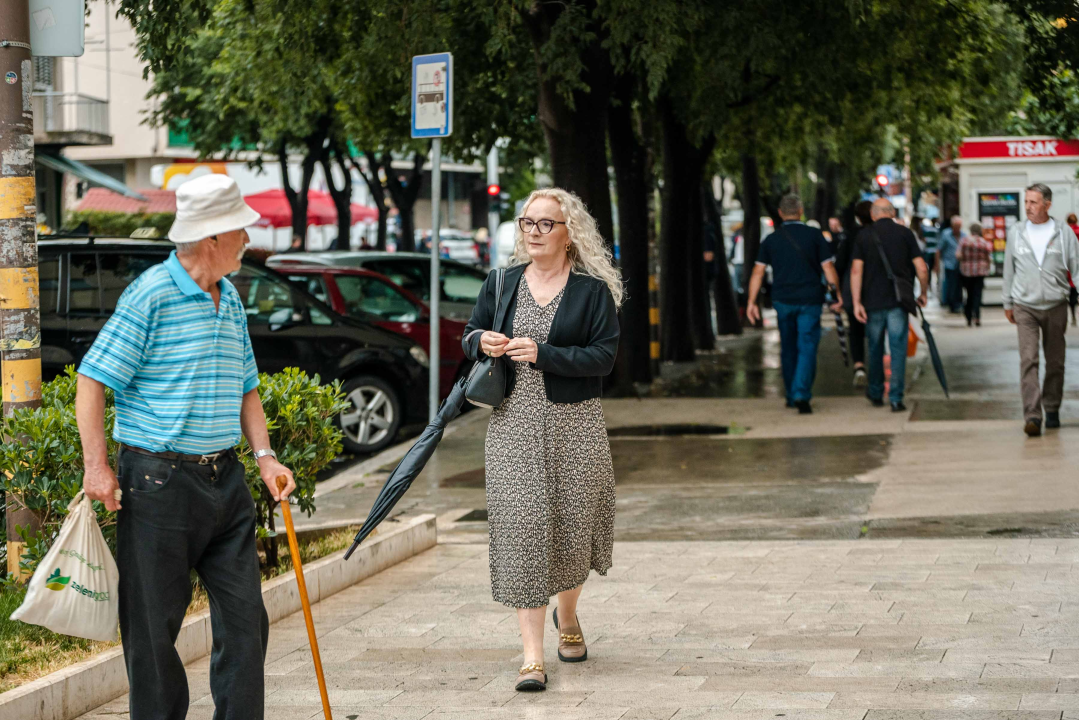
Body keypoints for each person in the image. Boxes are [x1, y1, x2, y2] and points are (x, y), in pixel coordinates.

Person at [75, 174, 296, 720]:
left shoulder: (232, 299)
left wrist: (265, 458)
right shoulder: (151, 294)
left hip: (226, 482)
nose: (248, 238)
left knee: (247, 622)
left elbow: (247, 386)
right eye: (240, 229)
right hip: (158, 484)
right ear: (214, 237)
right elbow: (92, 379)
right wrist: (97, 467)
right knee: (153, 633)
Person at [463, 188, 620, 692]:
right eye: (527, 222)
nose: (533, 231)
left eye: (544, 224)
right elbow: (469, 333)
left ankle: (567, 617)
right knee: (525, 531)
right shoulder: (501, 282)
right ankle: (532, 657)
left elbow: (604, 358)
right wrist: (481, 341)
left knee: (572, 532)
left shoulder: (592, 291)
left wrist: (546, 353)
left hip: (577, 427)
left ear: (568, 232)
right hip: (514, 426)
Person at [746, 194, 842, 414]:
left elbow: (758, 271)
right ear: (801, 211)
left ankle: (791, 394)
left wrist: (752, 302)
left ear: (780, 213)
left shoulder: (771, 239)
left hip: (782, 300)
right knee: (807, 345)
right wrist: (837, 294)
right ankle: (801, 393)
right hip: (810, 300)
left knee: (788, 347)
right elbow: (828, 269)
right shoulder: (814, 236)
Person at [1002, 183, 1079, 437]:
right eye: (1026, 202)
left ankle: (1052, 407)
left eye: (1034, 202)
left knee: (1055, 361)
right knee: (1029, 360)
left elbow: (1076, 269)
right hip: (1025, 306)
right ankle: (1033, 415)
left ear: (1047, 204)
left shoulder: (1063, 232)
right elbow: (1009, 269)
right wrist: (1007, 301)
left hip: (1056, 304)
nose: (1028, 207)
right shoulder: (1016, 231)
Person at [851, 198, 930, 413]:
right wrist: (923, 293)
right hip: (899, 301)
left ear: (874, 214)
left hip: (872, 302)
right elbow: (921, 267)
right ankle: (896, 398)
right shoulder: (905, 234)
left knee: (875, 348)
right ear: (892, 212)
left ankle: (876, 393)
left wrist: (856, 302)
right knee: (898, 349)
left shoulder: (864, 235)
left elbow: (856, 271)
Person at [834, 202, 872, 388]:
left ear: (857, 217)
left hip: (852, 289)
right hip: (876, 290)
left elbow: (840, 265)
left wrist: (838, 293)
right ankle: (876, 365)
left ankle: (859, 366)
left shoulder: (851, 236)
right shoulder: (879, 233)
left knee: (855, 330)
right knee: (876, 329)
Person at [956, 222, 993, 327]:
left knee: (969, 294)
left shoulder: (964, 241)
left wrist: (965, 259)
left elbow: (958, 255)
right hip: (980, 272)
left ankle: (968, 317)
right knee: (977, 294)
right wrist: (987, 266)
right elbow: (988, 257)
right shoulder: (983, 242)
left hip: (966, 272)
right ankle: (977, 316)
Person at [937, 215, 965, 313]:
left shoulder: (963, 235)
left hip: (961, 265)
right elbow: (939, 249)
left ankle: (958, 303)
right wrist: (937, 266)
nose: (958, 228)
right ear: (952, 226)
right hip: (949, 263)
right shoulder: (946, 234)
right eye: (956, 226)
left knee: (959, 285)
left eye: (959, 226)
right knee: (951, 284)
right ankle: (951, 304)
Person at [728, 223, 744, 294]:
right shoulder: (738, 237)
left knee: (737, 283)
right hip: (738, 261)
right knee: (737, 283)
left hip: (739, 261)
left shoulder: (738, 237)